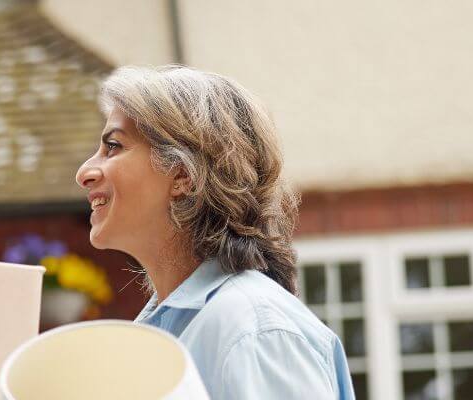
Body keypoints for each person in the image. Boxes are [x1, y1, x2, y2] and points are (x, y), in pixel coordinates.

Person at [75, 65, 355, 399]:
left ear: (183, 174)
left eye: (114, 146)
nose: (85, 173)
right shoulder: (168, 333)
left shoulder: (253, 330)